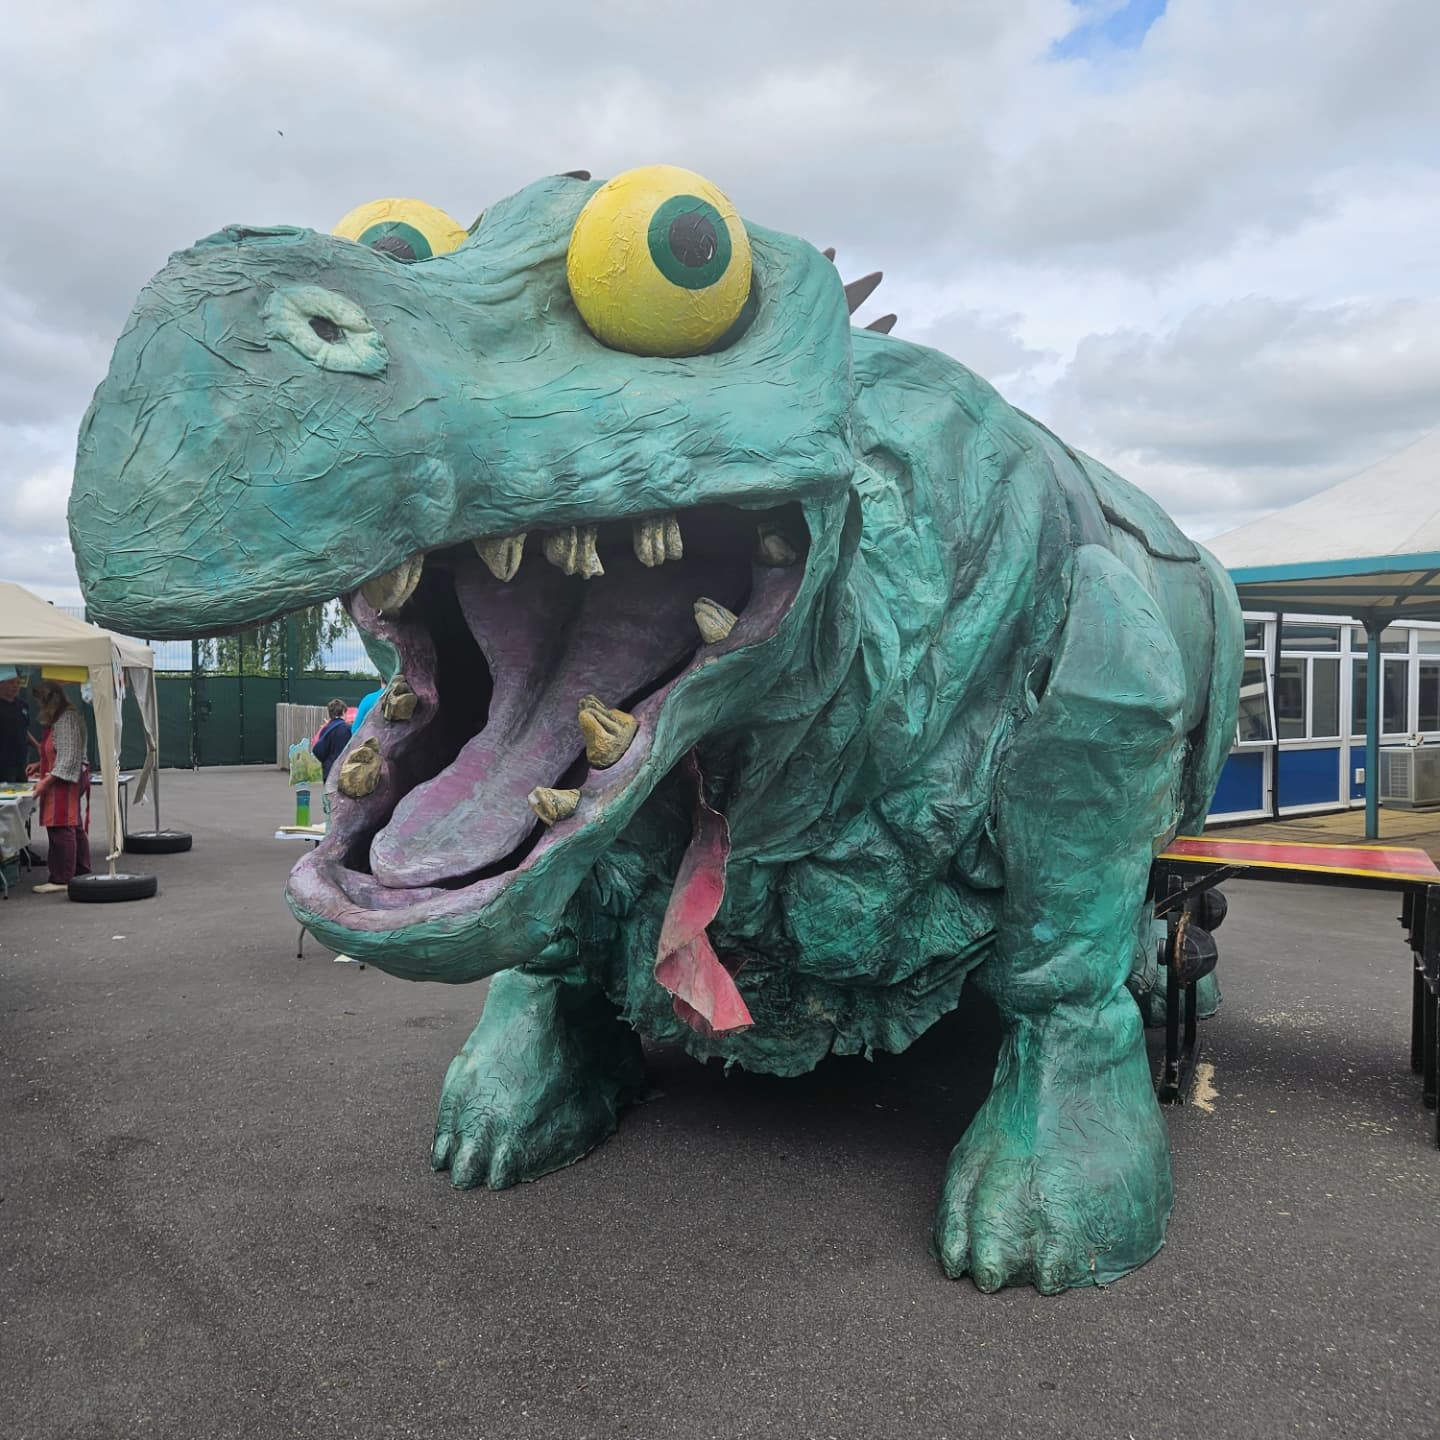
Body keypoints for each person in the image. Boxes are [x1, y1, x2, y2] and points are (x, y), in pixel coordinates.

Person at [29, 679, 92, 894]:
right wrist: (41, 764)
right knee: (72, 825)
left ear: (51, 702)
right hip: (68, 776)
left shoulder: (66, 720)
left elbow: (67, 758)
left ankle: (62, 878)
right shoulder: (64, 718)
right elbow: (59, 750)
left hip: (66, 779)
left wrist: (45, 782)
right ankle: (80, 870)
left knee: (60, 825)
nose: (40, 708)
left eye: (41, 703)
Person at [0, 665, 37, 783]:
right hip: (3, 763)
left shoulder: (22, 705)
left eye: (18, 682)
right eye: (11, 682)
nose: (16, 686)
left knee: (22, 796)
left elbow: (23, 729)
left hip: (21, 763)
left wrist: (37, 746)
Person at [311, 698, 353, 780]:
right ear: (344, 712)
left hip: (328, 770)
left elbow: (320, 750)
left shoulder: (325, 729)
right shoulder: (348, 729)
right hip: (343, 770)